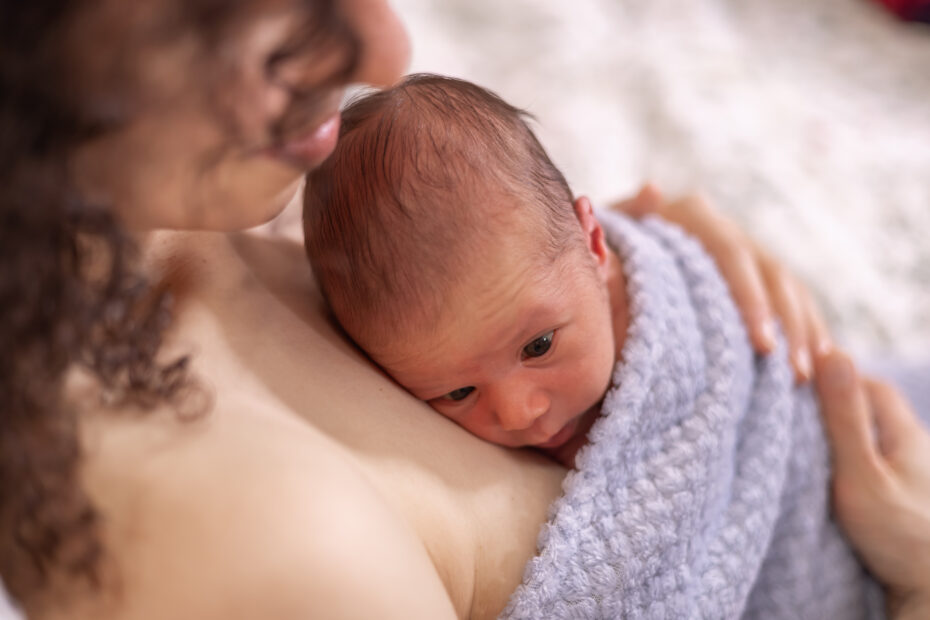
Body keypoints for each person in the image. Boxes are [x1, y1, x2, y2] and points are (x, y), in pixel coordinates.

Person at [0, 1, 927, 619]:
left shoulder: (159, 221)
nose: (385, 49)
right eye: (242, 13)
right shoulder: (280, 549)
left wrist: (645, 266)